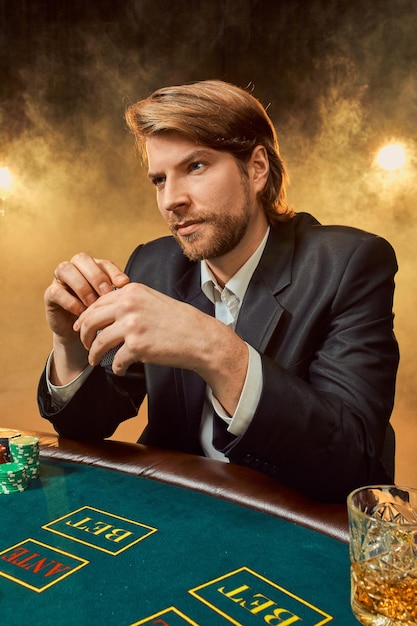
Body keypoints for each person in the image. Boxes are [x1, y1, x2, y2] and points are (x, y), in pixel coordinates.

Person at [37, 79, 399, 502]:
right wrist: (69, 345)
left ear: (257, 168)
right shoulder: (152, 265)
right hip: (182, 512)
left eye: (195, 166)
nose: (172, 199)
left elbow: (351, 461)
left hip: (297, 521)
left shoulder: (350, 263)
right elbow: (88, 426)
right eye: (158, 179)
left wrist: (213, 348)